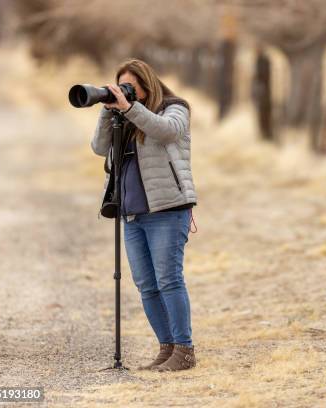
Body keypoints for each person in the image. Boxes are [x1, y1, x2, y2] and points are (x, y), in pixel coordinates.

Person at [90, 58, 197, 371]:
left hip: (167, 209)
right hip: (132, 211)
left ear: (147, 85)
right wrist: (106, 107)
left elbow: (165, 131)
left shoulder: (176, 108)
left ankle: (185, 350)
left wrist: (129, 108)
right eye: (122, 86)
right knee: (146, 284)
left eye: (131, 88)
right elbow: (99, 147)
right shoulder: (122, 115)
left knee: (169, 280)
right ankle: (167, 348)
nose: (126, 92)